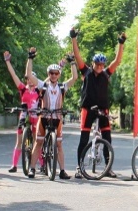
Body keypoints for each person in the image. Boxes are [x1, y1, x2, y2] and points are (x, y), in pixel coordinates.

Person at [70, 28, 125, 179]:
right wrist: (74, 38)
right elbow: (77, 55)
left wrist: (121, 43)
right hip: (88, 108)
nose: (100, 67)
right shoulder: (86, 71)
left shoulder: (106, 74)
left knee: (107, 137)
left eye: (102, 65)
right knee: (84, 138)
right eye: (98, 64)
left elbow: (117, 60)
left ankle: (108, 168)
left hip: (103, 109)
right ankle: (80, 167)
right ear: (93, 63)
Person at [25, 47, 78, 179]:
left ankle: (62, 171)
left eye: (56, 73)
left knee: (59, 144)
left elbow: (75, 77)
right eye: (51, 73)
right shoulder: (43, 85)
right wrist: (30, 58)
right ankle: (32, 169)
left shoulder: (62, 86)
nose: (53, 75)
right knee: (38, 142)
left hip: (57, 119)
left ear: (59, 74)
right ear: (48, 74)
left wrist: (72, 62)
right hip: (44, 117)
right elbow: (29, 75)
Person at [3, 49, 41, 173]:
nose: (29, 80)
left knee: (37, 141)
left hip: (35, 116)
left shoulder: (38, 90)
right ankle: (14, 165)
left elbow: (51, 80)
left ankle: (43, 164)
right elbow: (13, 75)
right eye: (27, 79)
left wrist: (61, 66)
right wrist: (7, 62)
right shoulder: (23, 89)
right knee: (19, 141)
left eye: (31, 78)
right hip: (24, 115)